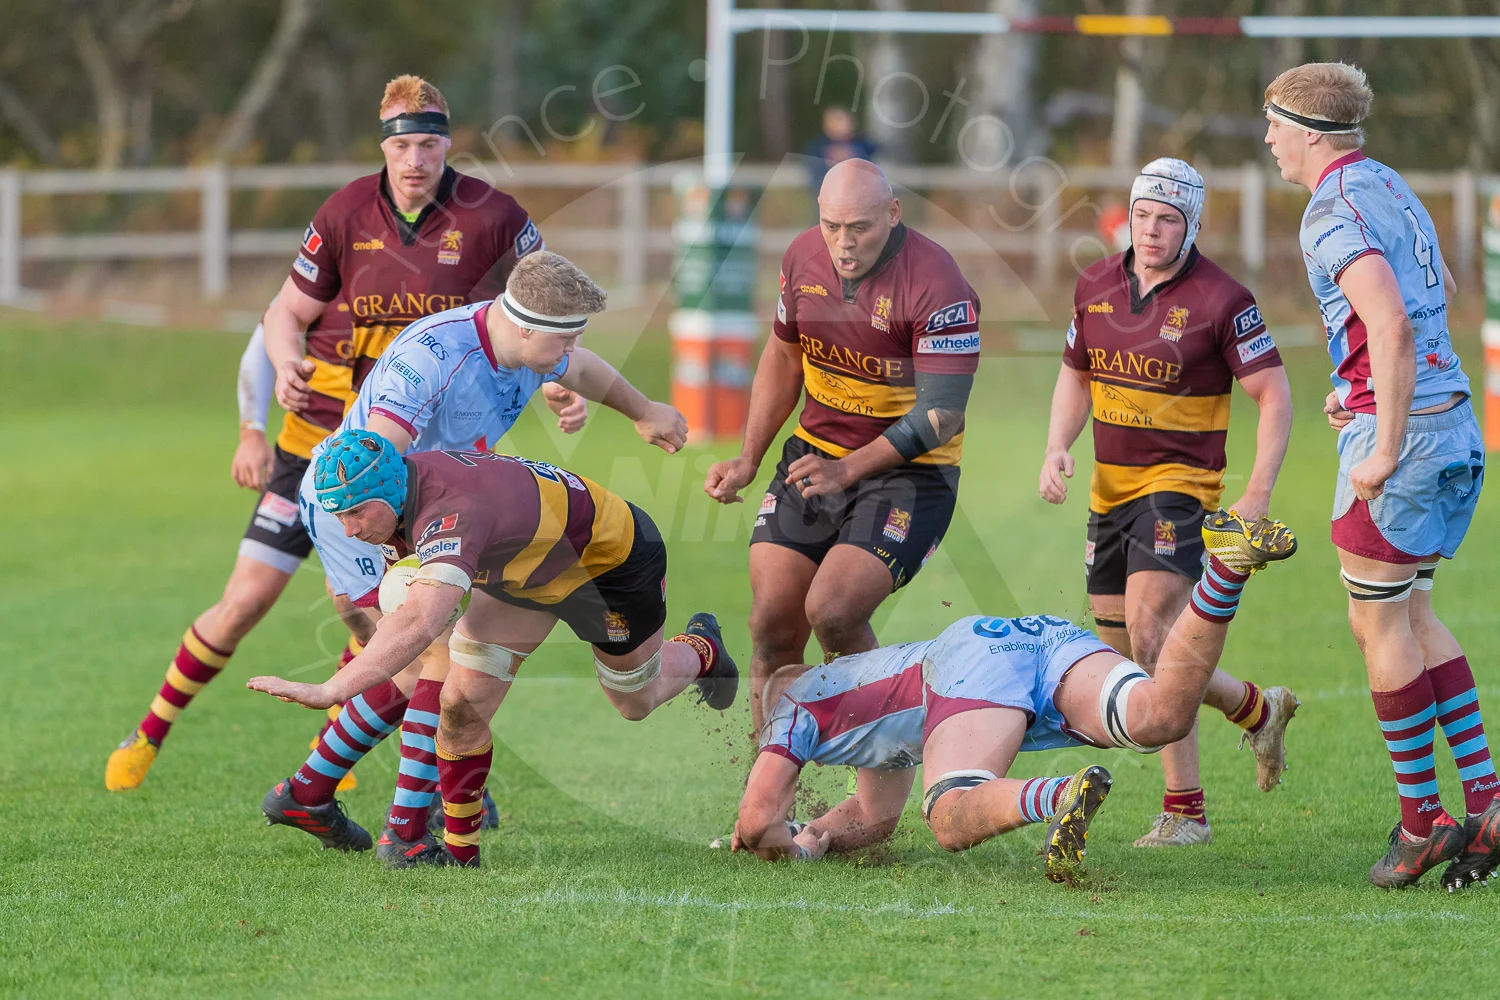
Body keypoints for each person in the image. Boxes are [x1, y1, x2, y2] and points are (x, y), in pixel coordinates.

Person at [105, 73, 564, 792]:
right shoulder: (345, 217)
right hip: (310, 451)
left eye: (429, 144)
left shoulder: (492, 221)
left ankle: (404, 774)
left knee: (404, 626)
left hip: (413, 466)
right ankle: (149, 735)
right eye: (402, 145)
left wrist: (558, 377)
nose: (415, 159)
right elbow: (278, 317)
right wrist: (258, 415)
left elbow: (540, 318)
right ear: (383, 146)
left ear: (448, 144)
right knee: (250, 605)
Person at [254, 250, 692, 862]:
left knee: (420, 664)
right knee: (428, 650)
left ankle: (313, 792)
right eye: (566, 337)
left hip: (435, 514)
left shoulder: (523, 345)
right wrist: (415, 552)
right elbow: (375, 466)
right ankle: (406, 832)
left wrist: (644, 411)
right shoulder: (431, 361)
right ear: (526, 327)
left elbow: (581, 366)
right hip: (365, 511)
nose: (573, 350)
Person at [247, 432, 737, 867]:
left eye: (355, 513)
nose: (350, 529)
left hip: (606, 565)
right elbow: (414, 620)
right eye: (340, 516)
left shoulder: (450, 512)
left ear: (386, 492)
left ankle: (702, 649)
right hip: (519, 574)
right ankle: (460, 855)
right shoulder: (394, 501)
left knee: (635, 700)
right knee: (460, 702)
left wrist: (332, 689)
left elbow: (419, 623)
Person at [733, 511, 1299, 879]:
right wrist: (815, 835)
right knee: (1162, 716)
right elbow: (873, 816)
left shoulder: (792, 706)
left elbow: (756, 821)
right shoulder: (848, 698)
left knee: (947, 814)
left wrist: (786, 846)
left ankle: (1058, 796)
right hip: (1026, 639)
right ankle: (1225, 570)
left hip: (965, 672)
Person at [1265, 62, 1495, 889]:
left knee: (1377, 625)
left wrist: (1385, 442)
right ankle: (1489, 804)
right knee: (1414, 613)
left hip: (1409, 441)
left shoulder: (1330, 211)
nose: (1268, 140)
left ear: (1310, 134)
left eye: (1275, 125)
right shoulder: (1389, 182)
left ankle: (1422, 825)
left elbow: (1392, 323)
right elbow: (1441, 293)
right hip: (1455, 421)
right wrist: (1357, 385)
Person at [1038, 157, 1297, 847]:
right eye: (1143, 215)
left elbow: (1275, 394)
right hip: (1109, 492)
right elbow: (1075, 376)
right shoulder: (1095, 284)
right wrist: (1057, 445)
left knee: (1154, 634)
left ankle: (1186, 813)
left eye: (1168, 219)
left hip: (1180, 487)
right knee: (1126, 659)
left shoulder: (1223, 299)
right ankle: (1256, 709)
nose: (1151, 230)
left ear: (1193, 226)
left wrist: (1257, 491)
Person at [704, 159, 980, 734]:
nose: (843, 243)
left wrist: (848, 469)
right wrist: (750, 457)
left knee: (833, 611)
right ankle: (770, 781)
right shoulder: (802, 257)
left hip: (912, 473)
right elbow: (784, 355)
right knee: (771, 623)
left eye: (859, 227)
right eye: (831, 226)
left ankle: (884, 757)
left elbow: (942, 415)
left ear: (893, 213)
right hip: (815, 453)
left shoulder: (938, 283)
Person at [804, 106, 878, 198]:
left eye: (846, 120)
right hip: (830, 196)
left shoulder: (863, 144)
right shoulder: (818, 147)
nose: (845, 124)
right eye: (838, 120)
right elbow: (816, 175)